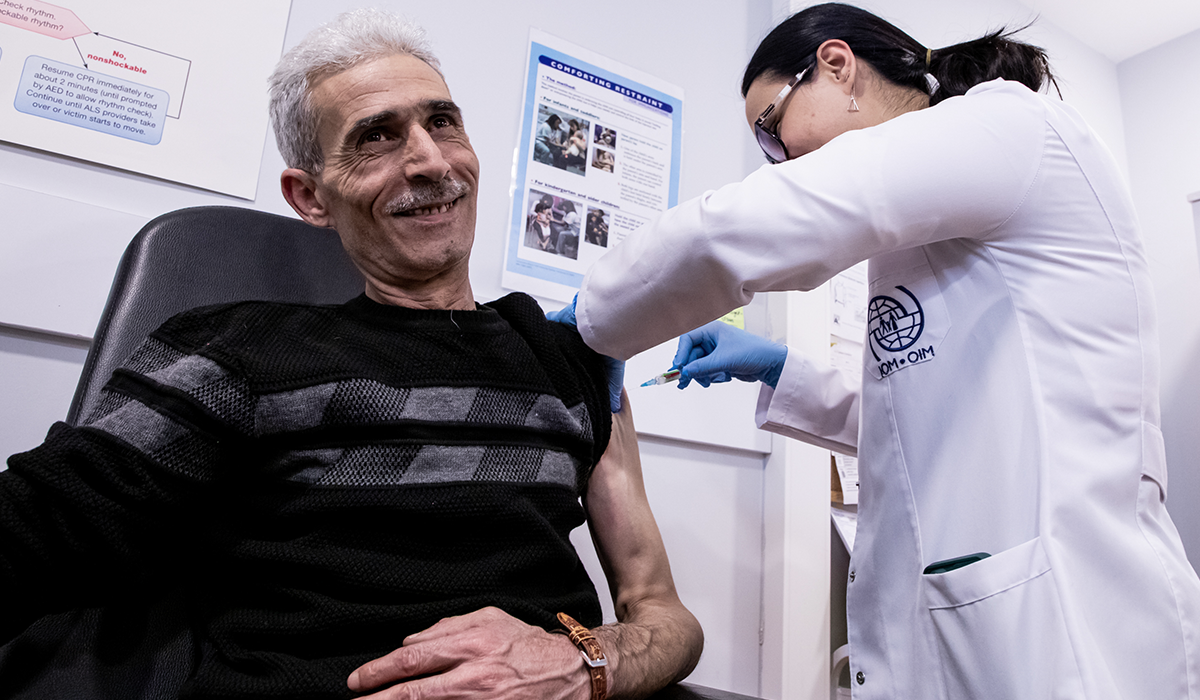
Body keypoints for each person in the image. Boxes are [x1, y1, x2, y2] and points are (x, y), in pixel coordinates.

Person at [0, 9, 702, 700]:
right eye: (376, 137)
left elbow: (666, 617)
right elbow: (32, 533)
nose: (430, 160)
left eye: (442, 121)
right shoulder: (236, 353)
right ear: (310, 196)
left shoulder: (571, 362)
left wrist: (585, 664)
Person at [561, 3, 1200, 699]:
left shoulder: (1007, 126)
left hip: (1071, 629)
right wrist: (782, 371)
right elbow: (922, 429)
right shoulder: (933, 221)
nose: (779, 159)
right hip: (982, 629)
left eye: (771, 130)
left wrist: (590, 321)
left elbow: (763, 220)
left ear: (836, 65)